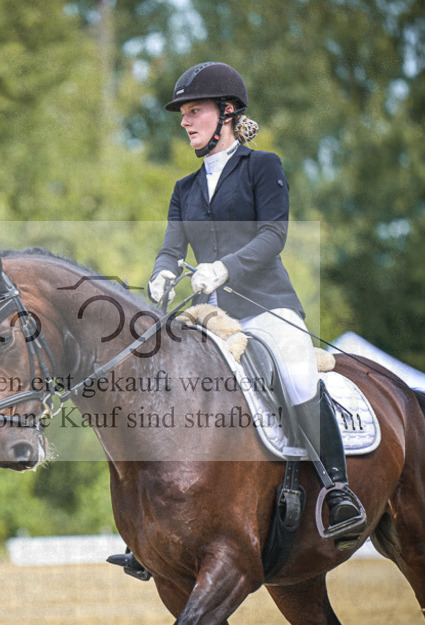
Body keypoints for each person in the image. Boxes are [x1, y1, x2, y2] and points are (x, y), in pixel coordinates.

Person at [108, 62, 365, 581]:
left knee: (294, 371)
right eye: (182, 113)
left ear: (227, 113)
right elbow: (171, 246)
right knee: (159, 388)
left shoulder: (261, 166)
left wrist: (224, 267)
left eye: (194, 110)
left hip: (267, 306)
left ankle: (338, 491)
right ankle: (153, 530)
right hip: (208, 316)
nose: (185, 121)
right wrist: (160, 275)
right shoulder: (184, 188)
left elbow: (274, 235)